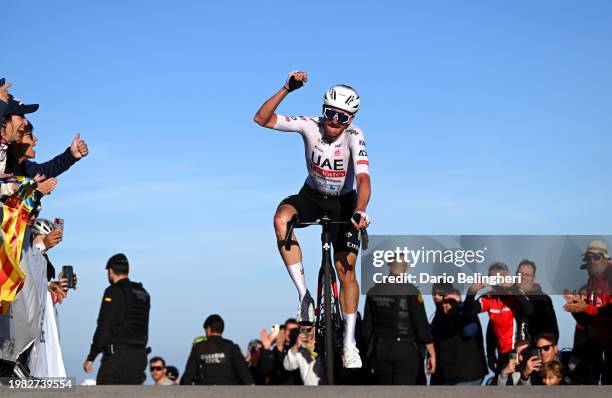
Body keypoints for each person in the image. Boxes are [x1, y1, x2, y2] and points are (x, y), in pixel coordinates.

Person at [254, 71, 371, 368]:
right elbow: (262, 119)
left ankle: (348, 342)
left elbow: (364, 179)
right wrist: (286, 89)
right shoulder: (310, 125)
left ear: (350, 119)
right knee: (281, 219)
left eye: (342, 117)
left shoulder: (355, 136)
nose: (334, 121)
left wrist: (359, 210)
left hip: (344, 203)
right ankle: (305, 295)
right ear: (323, 111)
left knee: (347, 271)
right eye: (330, 113)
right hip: (312, 194)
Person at [362, 256, 435, 384]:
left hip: (381, 349)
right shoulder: (412, 291)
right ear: (406, 268)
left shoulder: (373, 291)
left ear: (389, 267)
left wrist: (371, 355)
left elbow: (367, 330)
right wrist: (432, 354)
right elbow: (421, 326)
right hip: (405, 349)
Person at [83, 254, 151, 385]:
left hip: (118, 359)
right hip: (139, 358)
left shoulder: (113, 291)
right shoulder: (143, 293)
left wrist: (91, 357)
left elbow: (105, 327)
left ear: (110, 271)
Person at [463, 262, 534, 374]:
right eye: (494, 279)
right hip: (502, 353)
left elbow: (529, 310)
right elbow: (468, 312)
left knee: (517, 384)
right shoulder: (488, 298)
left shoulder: (515, 294)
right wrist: (472, 291)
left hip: (519, 350)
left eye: (501, 278)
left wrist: (513, 287)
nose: (498, 283)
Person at [564, 240, 612, 384]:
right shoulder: (590, 283)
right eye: (588, 258)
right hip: (602, 344)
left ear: (605, 259)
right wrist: (575, 307)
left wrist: (586, 308)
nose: (592, 261)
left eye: (596, 257)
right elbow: (586, 321)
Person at [430, 288, 487, 385]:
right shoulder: (438, 318)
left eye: (452, 302)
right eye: (445, 302)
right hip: (447, 377)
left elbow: (469, 331)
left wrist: (463, 303)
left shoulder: (467, 315)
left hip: (468, 376)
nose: (448, 305)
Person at [181, 314, 254, 385]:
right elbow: (244, 373)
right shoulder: (232, 347)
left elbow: (188, 377)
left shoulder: (198, 348)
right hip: (229, 392)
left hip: (204, 393)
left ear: (208, 329)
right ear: (222, 329)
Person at [515, 259, 559, 340]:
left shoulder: (543, 300)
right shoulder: (507, 297)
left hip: (534, 349)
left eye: (527, 275)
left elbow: (553, 331)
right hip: (511, 349)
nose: (523, 277)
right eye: (520, 274)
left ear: (533, 279)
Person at [259, 318, 302, 385]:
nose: (291, 333)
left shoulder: (302, 350)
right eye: (288, 330)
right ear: (284, 331)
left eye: (294, 330)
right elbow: (264, 370)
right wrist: (266, 349)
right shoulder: (274, 351)